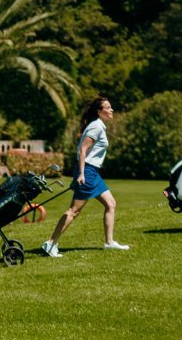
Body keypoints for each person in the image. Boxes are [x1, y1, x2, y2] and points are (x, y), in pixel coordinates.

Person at [43, 97, 130, 257]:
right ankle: (51, 243)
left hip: (92, 172)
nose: (112, 110)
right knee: (74, 211)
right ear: (99, 111)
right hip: (88, 172)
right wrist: (82, 173)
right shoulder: (96, 127)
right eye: (108, 107)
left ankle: (109, 242)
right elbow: (82, 150)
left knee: (111, 204)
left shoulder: (98, 126)